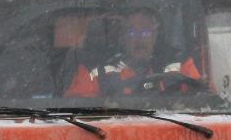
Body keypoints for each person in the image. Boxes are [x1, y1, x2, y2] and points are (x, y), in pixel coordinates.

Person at [65, 8, 203, 98]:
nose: (139, 39)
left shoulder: (181, 65)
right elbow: (77, 116)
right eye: (131, 33)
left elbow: (204, 106)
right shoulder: (95, 72)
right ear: (122, 38)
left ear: (155, 36)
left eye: (145, 32)